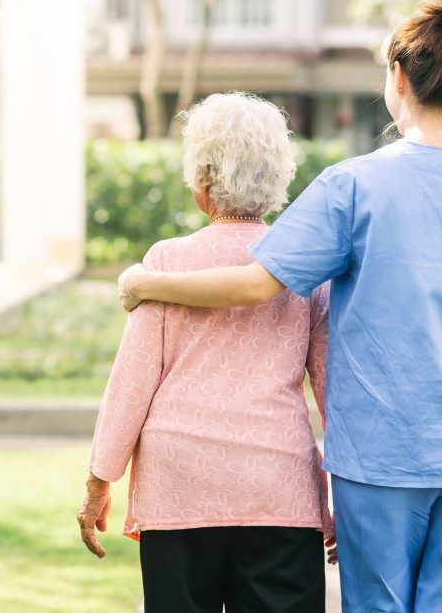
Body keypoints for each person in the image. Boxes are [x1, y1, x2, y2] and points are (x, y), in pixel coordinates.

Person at [117, 0, 442, 612]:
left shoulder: (353, 185)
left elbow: (256, 283)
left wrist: (149, 283)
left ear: (398, 77)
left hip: (381, 457)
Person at [77, 92, 335, 613]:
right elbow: (336, 392)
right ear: (277, 177)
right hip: (278, 488)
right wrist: (346, 498)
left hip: (179, 487)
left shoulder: (166, 262)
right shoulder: (304, 269)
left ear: (202, 179)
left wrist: (99, 483)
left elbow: (131, 384)